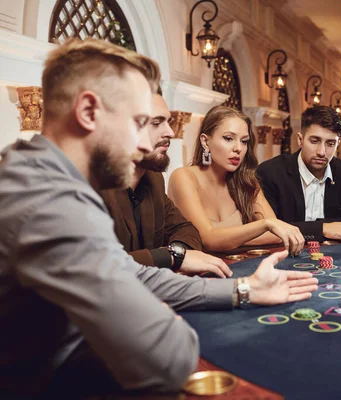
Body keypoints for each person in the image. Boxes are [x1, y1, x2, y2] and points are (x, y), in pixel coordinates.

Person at [0, 38, 317, 398]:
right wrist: (159, 318)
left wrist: (243, 289)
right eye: (139, 121)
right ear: (89, 112)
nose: (152, 138)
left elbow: (131, 274)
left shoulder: (38, 171)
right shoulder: (46, 198)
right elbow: (169, 360)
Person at [100, 90, 232, 278]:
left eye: (168, 122)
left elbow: (185, 230)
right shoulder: (87, 185)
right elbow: (99, 265)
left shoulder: (154, 179)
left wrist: (177, 252)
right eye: (156, 123)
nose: (170, 132)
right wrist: (171, 257)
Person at [168, 106, 305, 254]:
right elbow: (208, 240)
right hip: (196, 274)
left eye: (244, 141)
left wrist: (226, 239)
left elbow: (276, 234)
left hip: (239, 269)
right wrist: (264, 225)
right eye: (228, 138)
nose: (238, 148)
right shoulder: (183, 177)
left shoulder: (246, 182)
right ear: (205, 142)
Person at [256, 105, 341, 242]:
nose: (321, 152)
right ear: (300, 139)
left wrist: (323, 227)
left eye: (330, 143)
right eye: (314, 141)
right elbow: (269, 229)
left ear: (338, 144)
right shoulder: (271, 172)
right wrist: (322, 228)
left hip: (333, 255)